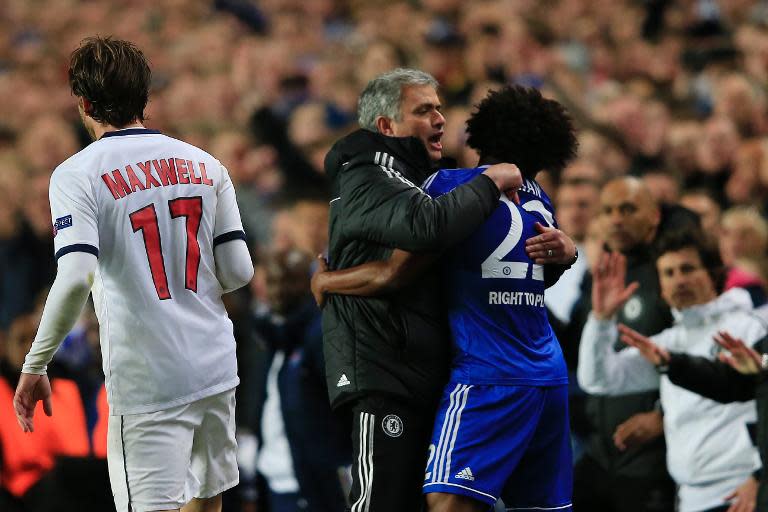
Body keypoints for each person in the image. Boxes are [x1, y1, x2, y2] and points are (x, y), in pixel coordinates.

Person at [12, 37, 254, 512]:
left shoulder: (76, 174)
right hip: (215, 364)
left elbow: (76, 275)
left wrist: (35, 363)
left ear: (83, 103)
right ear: (145, 96)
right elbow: (239, 271)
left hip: (146, 379)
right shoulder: (206, 164)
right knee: (208, 500)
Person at [314, 85, 579, 511]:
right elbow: (520, 278)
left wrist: (328, 282)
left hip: (488, 372)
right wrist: (572, 253)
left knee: (447, 502)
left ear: (481, 134)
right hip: (548, 372)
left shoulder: (448, 185)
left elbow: (394, 273)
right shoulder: (540, 201)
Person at [578, 229, 762, 512]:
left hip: (743, 492)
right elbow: (599, 379)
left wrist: (760, 477)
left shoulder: (749, 326)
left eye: (687, 269)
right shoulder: (667, 345)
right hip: (690, 498)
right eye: (669, 273)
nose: (679, 280)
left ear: (713, 274)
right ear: (661, 287)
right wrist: (602, 320)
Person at [567, 176, 678, 512]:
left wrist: (663, 416)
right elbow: (573, 347)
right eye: (609, 210)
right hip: (599, 450)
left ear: (654, 215)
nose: (616, 219)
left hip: (652, 456)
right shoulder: (598, 276)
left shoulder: (670, 273)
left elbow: (691, 351)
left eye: (628, 209)